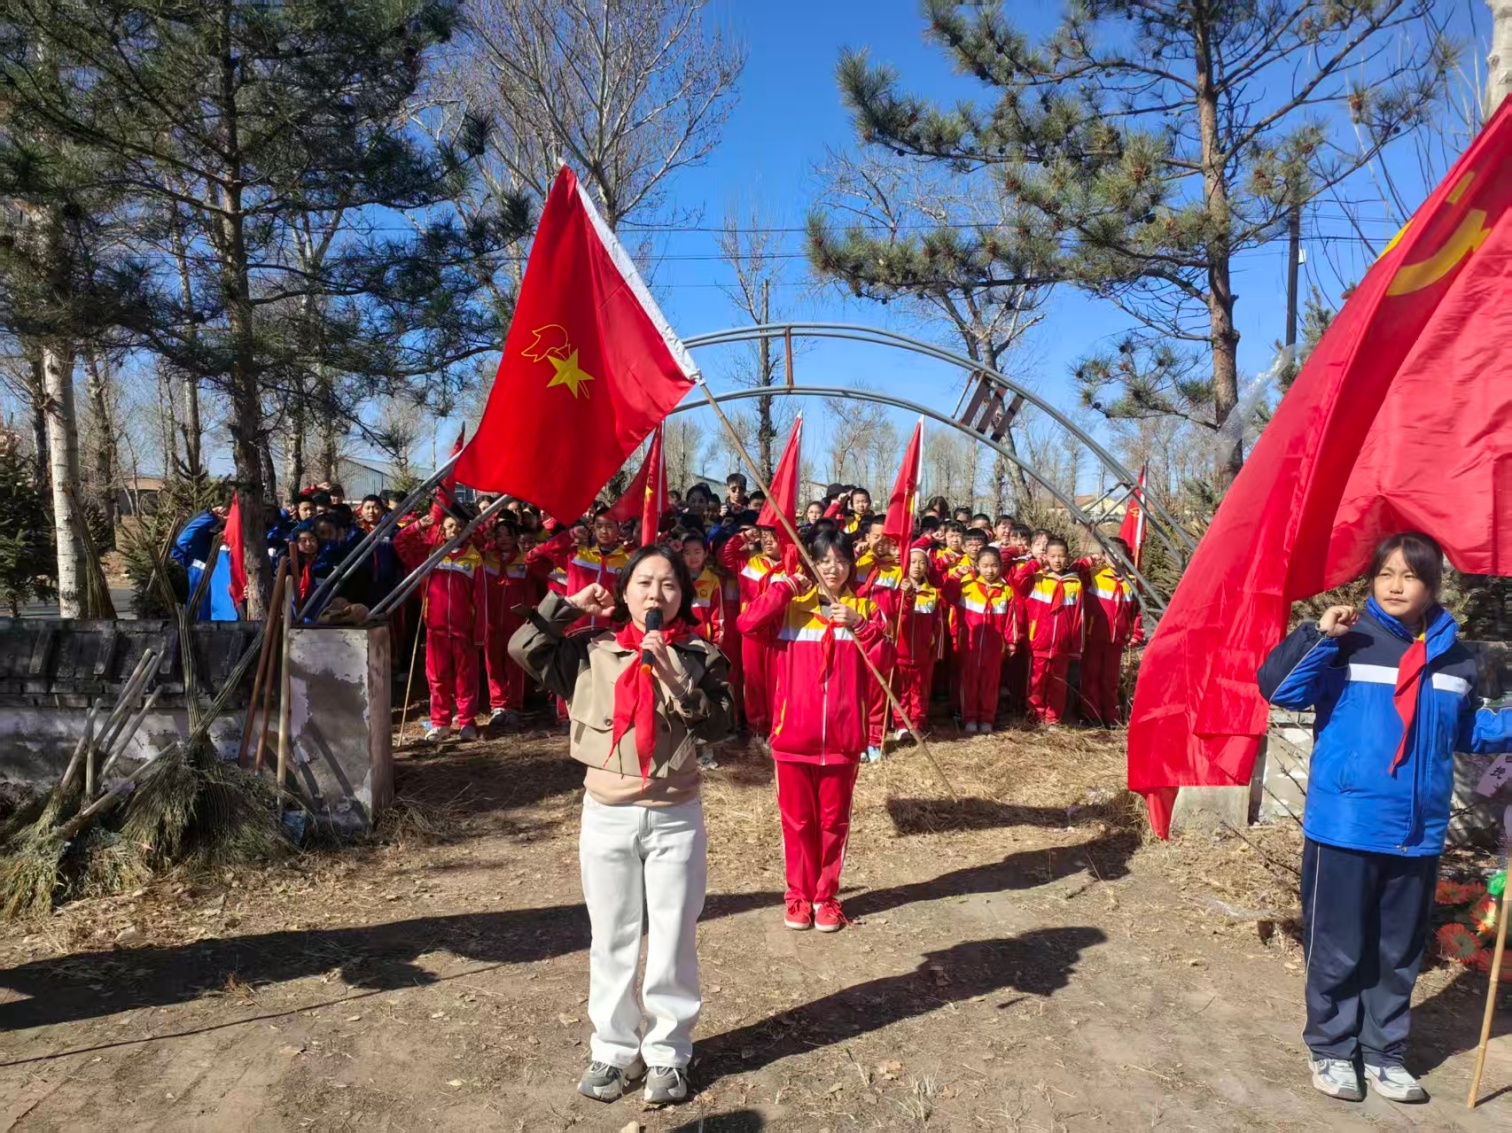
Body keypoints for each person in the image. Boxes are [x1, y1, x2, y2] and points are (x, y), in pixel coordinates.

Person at [1258, 532, 1512, 1104]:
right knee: (1338, 945)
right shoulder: (1350, 641)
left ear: (1432, 585)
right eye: (1385, 573)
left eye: (1411, 575)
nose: (1396, 585)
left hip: (1417, 830)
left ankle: (1384, 1054)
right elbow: (1281, 689)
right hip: (1346, 822)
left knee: (1398, 952)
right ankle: (1330, 1049)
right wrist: (1319, 635)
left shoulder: (1457, 658)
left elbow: (1468, 730)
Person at [510, 546, 734, 1105]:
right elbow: (523, 648)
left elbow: (723, 726)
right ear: (625, 590)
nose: (655, 595)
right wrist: (566, 606)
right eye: (643, 583)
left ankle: (668, 1053)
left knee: (673, 942)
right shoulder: (590, 650)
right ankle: (612, 1050)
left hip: (674, 819)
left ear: (682, 597)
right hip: (606, 817)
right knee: (610, 939)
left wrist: (679, 679)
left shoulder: (700, 655)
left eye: (668, 586)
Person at [738, 528, 894, 932]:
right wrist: (788, 585)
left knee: (833, 823)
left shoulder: (863, 608)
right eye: (823, 561)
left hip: (842, 741)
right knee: (797, 822)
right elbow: (747, 623)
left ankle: (826, 897)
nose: (833, 569)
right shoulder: (791, 607)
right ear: (810, 563)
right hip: (793, 737)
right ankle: (797, 896)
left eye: (841, 561)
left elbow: (887, 661)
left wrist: (860, 625)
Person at [395, 513, 483, 742]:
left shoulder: (474, 558)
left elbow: (481, 600)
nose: (455, 530)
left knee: (466, 680)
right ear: (442, 530)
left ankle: (466, 722)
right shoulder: (431, 554)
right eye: (451, 526)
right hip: (436, 630)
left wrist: (479, 633)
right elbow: (400, 543)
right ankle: (440, 723)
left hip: (464, 631)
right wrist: (419, 524)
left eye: (460, 526)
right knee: (437, 678)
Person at [945, 546, 1023, 734]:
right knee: (969, 682)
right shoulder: (967, 586)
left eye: (994, 566)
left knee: (990, 683)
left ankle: (987, 718)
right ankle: (970, 718)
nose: (990, 570)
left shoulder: (1006, 591)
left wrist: (1011, 641)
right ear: (977, 566)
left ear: (1000, 566)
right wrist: (956, 576)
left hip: (994, 648)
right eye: (985, 566)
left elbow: (1011, 619)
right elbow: (947, 595)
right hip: (970, 645)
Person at [1074, 536, 1143, 727]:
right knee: (1091, 676)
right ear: (1103, 556)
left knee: (1110, 679)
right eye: (1110, 553)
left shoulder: (1131, 581)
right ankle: (1091, 714)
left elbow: (1135, 612)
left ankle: (1111, 716)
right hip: (1093, 637)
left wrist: (1136, 632)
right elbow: (1073, 570)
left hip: (1117, 639)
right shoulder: (1093, 576)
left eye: (1119, 554)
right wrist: (1089, 560)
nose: (1115, 558)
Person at [1019, 536, 1084, 725]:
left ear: (1068, 558)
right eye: (1053, 556)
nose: (1057, 560)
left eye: (1061, 556)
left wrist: (1075, 646)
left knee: (1058, 684)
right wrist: (1034, 564)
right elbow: (1017, 579)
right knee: (1036, 683)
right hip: (1038, 643)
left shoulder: (1074, 584)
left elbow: (1078, 617)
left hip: (1061, 646)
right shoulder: (1037, 579)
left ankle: (1052, 718)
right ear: (1045, 557)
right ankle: (1034, 716)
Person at [892, 547, 943, 741]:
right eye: (913, 562)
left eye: (922, 562)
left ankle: (916, 724)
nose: (917, 566)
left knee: (920, 691)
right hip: (900, 652)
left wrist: (936, 650)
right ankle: (900, 725)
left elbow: (938, 626)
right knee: (901, 690)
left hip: (923, 654)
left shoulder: (932, 593)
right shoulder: (897, 590)